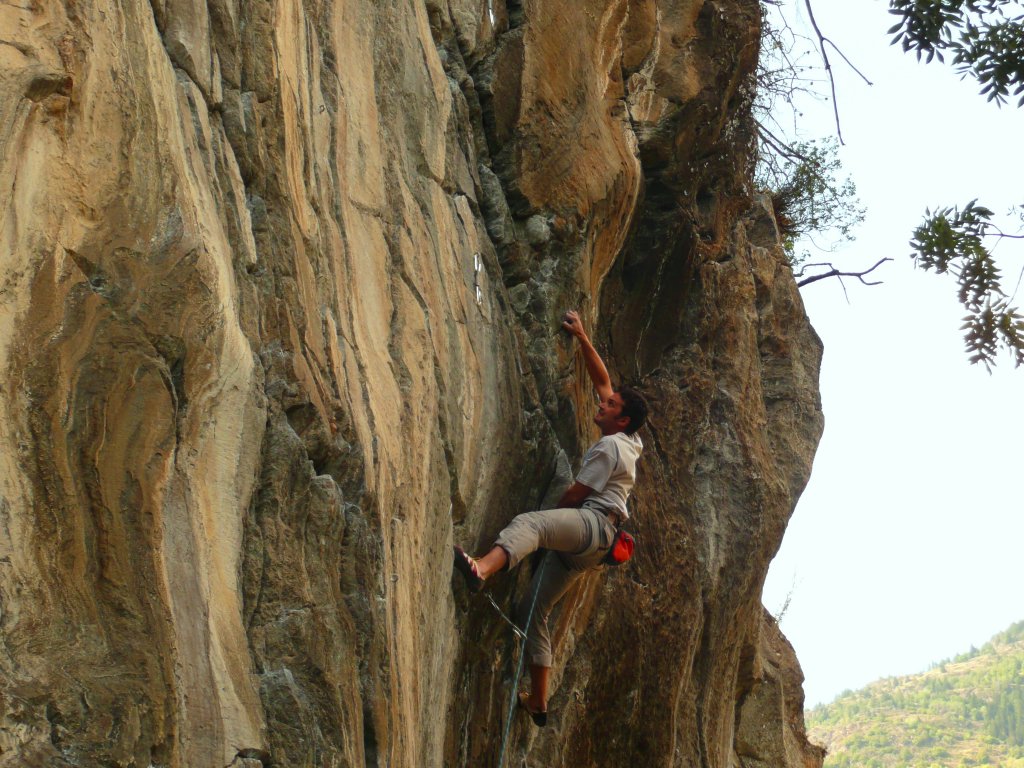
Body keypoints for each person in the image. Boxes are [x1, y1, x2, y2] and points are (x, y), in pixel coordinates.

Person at [453, 310, 648, 726]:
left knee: (535, 524)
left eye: (610, 406)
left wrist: (555, 523)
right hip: (595, 546)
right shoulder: (630, 439)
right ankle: (539, 701)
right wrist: (581, 337)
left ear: (622, 419)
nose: (603, 402)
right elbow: (603, 380)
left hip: (592, 526)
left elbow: (575, 495)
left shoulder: (609, 449)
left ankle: (482, 568)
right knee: (532, 609)